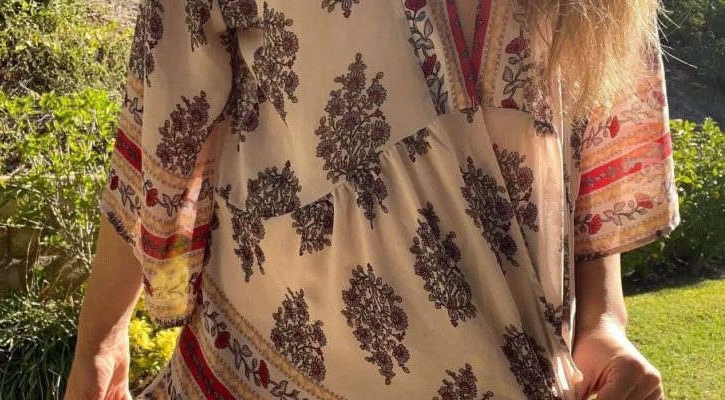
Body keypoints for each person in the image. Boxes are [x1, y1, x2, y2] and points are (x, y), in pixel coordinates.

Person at [65, 0, 680, 399]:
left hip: (522, 372)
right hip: (272, 365)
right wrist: (101, 340)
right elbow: (164, 105)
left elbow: (595, 114)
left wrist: (604, 322)